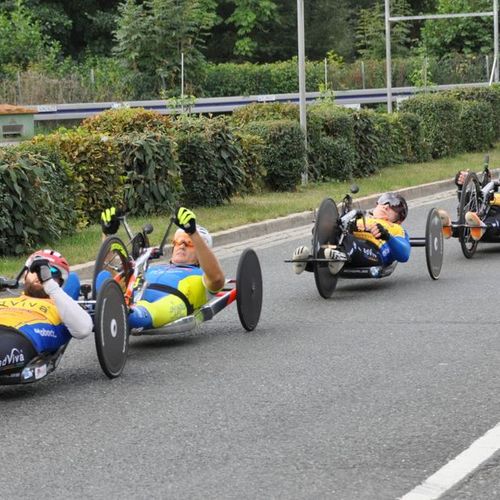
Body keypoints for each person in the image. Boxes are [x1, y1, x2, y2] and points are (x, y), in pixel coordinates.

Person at [100, 207, 225, 331]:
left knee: (137, 316)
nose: (181, 246)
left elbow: (217, 279)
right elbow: (114, 274)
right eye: (178, 241)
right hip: (133, 295)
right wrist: (107, 233)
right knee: (103, 278)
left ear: (200, 251)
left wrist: (193, 233)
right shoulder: (152, 267)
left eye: (188, 243)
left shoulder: (202, 275)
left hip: (172, 300)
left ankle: (121, 313)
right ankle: (104, 309)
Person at [0, 249, 93, 373]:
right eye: (35, 269)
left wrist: (48, 283)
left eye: (52, 272)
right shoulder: (8, 299)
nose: (41, 274)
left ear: (60, 282)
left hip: (17, 337)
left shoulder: (64, 308)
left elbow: (83, 329)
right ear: (25, 274)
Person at [292, 192, 411, 275]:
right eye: (384, 201)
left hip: (374, 252)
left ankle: (337, 256)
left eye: (395, 207)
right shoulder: (361, 217)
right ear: (377, 204)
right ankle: (308, 260)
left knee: (352, 243)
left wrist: (387, 236)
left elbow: (404, 254)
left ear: (399, 220)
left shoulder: (396, 228)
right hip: (345, 242)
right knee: (334, 231)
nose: (386, 206)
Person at [438, 170, 500, 242]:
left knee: (494, 219)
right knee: (470, 208)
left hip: (493, 224)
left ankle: (481, 227)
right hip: (482, 212)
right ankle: (449, 227)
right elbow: (465, 202)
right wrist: (461, 185)